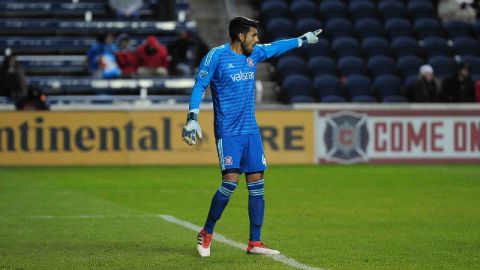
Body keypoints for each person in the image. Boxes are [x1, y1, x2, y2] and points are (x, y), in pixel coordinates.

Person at [181, 16, 321, 257]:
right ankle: (207, 232)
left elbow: (276, 47)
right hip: (228, 131)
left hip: (250, 131)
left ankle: (255, 243)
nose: (257, 40)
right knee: (230, 183)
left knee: (257, 185)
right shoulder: (216, 56)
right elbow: (199, 86)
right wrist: (192, 118)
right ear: (240, 36)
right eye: (254, 35)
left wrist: (301, 40)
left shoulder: (253, 53)